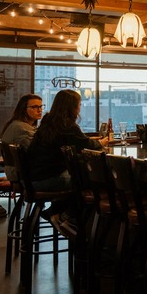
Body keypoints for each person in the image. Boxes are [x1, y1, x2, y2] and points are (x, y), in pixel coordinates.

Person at [26, 89, 109, 235]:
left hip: (33, 178)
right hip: (47, 179)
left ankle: (57, 213)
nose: (80, 108)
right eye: (79, 104)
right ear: (72, 107)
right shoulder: (67, 126)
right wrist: (102, 142)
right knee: (94, 182)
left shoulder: (48, 121)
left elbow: (77, 142)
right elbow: (88, 145)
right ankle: (69, 219)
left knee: (82, 179)